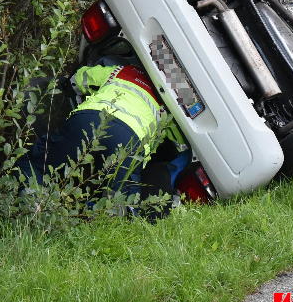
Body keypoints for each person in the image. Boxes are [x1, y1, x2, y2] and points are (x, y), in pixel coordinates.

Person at [15, 56, 190, 210]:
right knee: (123, 205)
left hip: (89, 119)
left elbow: (79, 78)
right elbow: (182, 141)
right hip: (129, 142)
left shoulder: (122, 71)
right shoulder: (170, 101)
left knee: (37, 163)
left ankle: (29, 202)